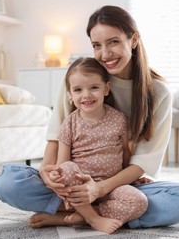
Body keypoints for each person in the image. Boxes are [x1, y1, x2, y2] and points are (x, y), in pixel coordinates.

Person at [0, 5, 179, 229]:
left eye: (113, 42)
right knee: (3, 180)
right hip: (73, 180)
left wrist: (99, 189)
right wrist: (46, 170)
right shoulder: (78, 79)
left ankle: (76, 215)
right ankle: (96, 212)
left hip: (118, 184)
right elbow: (56, 137)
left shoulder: (158, 93)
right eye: (96, 46)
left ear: (134, 39)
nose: (105, 54)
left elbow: (141, 163)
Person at [50, 57, 148, 234]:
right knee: (67, 168)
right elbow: (62, 164)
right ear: (70, 94)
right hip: (79, 190)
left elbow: (125, 154)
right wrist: (58, 177)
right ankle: (93, 219)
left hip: (111, 187)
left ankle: (83, 216)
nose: (86, 95)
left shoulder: (119, 119)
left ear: (106, 88)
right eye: (78, 90)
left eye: (94, 87)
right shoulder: (69, 124)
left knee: (140, 201)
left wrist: (133, 178)